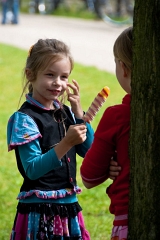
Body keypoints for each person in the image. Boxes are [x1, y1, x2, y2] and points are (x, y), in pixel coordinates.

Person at [7, 38, 94, 239]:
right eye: (50, 75)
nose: (58, 83)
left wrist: (79, 114)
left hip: (69, 205)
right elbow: (32, 169)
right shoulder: (24, 119)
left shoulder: (65, 112)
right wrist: (66, 143)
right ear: (30, 74)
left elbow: (89, 152)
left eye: (64, 76)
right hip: (38, 210)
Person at [80, 26, 133, 240]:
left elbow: (88, 177)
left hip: (128, 219)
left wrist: (110, 160)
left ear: (123, 67)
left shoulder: (117, 116)